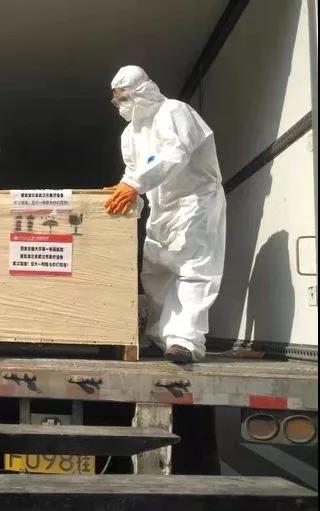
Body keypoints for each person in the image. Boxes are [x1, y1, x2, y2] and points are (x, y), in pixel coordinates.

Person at [104, 65, 226, 364]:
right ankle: (161, 338)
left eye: (124, 97)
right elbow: (132, 171)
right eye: (116, 99)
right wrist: (124, 189)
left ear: (142, 92)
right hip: (162, 207)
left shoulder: (174, 111)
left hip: (196, 202)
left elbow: (176, 154)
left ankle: (185, 341)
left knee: (192, 269)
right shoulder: (130, 133)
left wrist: (134, 185)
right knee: (156, 270)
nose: (120, 104)